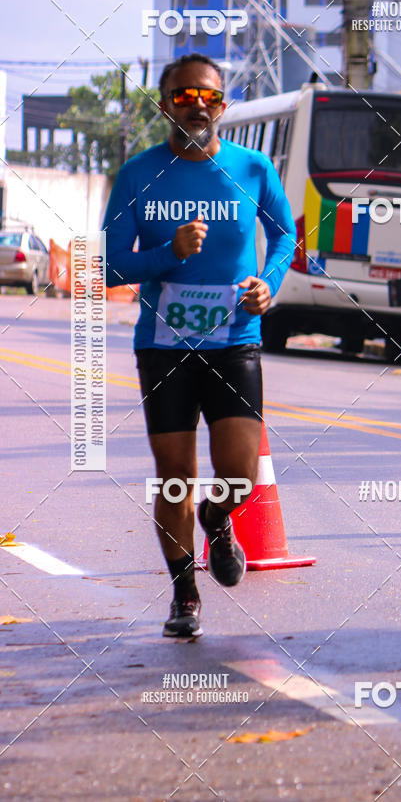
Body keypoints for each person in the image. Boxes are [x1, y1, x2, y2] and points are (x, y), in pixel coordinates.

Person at [102, 53, 296, 638]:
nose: (196, 105)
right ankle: (185, 594)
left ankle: (217, 519)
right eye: (183, 96)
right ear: (165, 105)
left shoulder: (254, 167)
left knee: (236, 475)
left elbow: (285, 233)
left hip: (235, 338)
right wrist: (169, 255)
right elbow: (110, 264)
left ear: (223, 104)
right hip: (163, 345)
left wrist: (270, 284)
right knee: (174, 476)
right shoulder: (139, 173)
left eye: (207, 95)